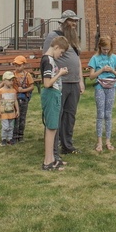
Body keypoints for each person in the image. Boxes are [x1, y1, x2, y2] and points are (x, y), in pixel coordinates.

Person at [41, 10, 84, 156]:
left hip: (74, 82)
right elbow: (47, 57)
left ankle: (67, 145)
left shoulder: (74, 39)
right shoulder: (54, 36)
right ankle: (53, 149)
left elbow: (77, 60)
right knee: (56, 115)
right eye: (72, 21)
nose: (74, 24)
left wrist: (81, 80)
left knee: (70, 115)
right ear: (64, 22)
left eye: (76, 21)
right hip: (60, 82)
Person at [87, 36, 116, 153]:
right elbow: (91, 77)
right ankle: (99, 141)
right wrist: (101, 70)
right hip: (99, 87)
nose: (106, 51)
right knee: (100, 114)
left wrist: (112, 70)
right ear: (99, 47)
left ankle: (108, 140)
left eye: (108, 49)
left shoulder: (114, 58)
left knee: (108, 114)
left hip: (112, 87)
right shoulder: (95, 58)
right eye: (104, 49)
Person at [40, 36, 69, 170]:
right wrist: (60, 74)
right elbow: (47, 83)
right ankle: (48, 162)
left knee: (52, 128)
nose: (61, 55)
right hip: (51, 94)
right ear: (56, 47)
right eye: (61, 52)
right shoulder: (48, 60)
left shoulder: (50, 60)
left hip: (54, 94)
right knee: (51, 129)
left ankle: (51, 158)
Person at [11, 55, 35, 143]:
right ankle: (14, 134)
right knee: (14, 116)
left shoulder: (27, 75)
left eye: (19, 65)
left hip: (24, 99)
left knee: (22, 117)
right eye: (15, 65)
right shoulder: (13, 75)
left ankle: (20, 135)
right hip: (14, 99)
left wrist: (24, 90)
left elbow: (32, 87)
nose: (17, 67)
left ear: (24, 65)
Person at [0, 71, 18, 146]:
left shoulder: (13, 91)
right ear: (4, 80)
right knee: (5, 127)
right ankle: (3, 138)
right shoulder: (0, 91)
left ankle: (9, 138)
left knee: (11, 126)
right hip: (4, 113)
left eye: (12, 80)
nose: (11, 82)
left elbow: (15, 101)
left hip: (11, 112)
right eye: (9, 80)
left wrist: (17, 110)